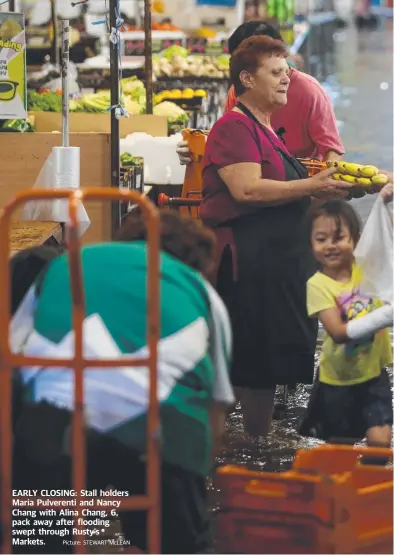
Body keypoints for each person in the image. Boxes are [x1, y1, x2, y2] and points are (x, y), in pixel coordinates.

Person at [11, 211, 234, 554]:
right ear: (197, 263)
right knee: (176, 540)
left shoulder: (66, 265)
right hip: (160, 428)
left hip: (58, 421)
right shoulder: (200, 291)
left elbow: (12, 362)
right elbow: (216, 409)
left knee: (40, 539)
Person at [199, 35, 351, 438]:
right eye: (276, 73)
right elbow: (246, 189)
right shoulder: (234, 127)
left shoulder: (266, 128)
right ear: (247, 79)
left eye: (287, 72)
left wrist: (324, 189)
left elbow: (279, 188)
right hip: (250, 261)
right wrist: (310, 185)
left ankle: (255, 439)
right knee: (252, 360)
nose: (287, 80)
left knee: (264, 362)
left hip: (275, 261)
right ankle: (238, 445)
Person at [177, 20, 344, 164]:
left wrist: (318, 190)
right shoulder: (237, 94)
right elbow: (229, 145)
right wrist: (196, 151)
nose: (285, 79)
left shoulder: (310, 91)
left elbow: (332, 151)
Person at [299, 198, 393, 448]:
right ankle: (340, 485)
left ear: (355, 240)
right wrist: (385, 316)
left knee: (380, 441)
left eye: (339, 237)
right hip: (338, 381)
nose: (330, 246)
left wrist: (382, 203)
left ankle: (370, 483)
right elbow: (338, 332)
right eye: (321, 239)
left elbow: (384, 239)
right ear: (311, 245)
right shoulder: (317, 285)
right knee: (340, 448)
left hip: (374, 374)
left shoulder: (365, 269)